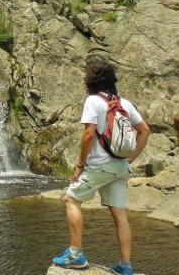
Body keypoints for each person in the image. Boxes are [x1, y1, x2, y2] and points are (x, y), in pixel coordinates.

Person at [52, 56, 151, 275]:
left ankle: (75, 255)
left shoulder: (93, 101)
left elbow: (88, 135)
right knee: (120, 214)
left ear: (91, 80)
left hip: (99, 165)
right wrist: (131, 158)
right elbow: (145, 130)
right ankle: (125, 267)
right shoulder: (124, 103)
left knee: (71, 199)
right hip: (120, 167)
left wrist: (79, 165)